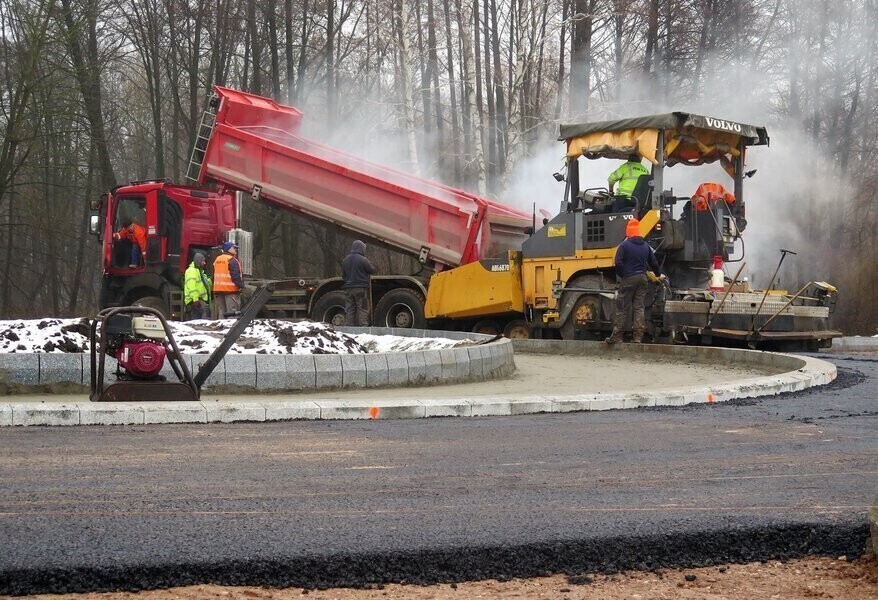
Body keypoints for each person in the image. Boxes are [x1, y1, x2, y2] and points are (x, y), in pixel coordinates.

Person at [605, 218, 662, 344]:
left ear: (628, 232)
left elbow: (618, 262)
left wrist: (623, 274)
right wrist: (658, 274)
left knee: (622, 307)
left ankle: (617, 336)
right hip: (642, 278)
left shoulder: (624, 245)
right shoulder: (645, 246)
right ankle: (637, 337)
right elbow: (654, 263)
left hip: (629, 278)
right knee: (639, 307)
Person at [341, 240, 376, 326]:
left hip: (348, 289)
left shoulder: (345, 260)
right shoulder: (363, 260)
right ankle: (363, 327)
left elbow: (343, 276)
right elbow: (372, 270)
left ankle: (349, 327)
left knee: (350, 308)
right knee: (362, 308)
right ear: (361, 248)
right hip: (361, 289)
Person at [213, 241, 244, 318]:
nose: (235, 250)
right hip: (231, 291)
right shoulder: (232, 260)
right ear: (228, 249)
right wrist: (241, 286)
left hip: (218, 290)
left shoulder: (217, 259)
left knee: (221, 313)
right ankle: (232, 326)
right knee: (232, 313)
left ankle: (221, 325)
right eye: (234, 248)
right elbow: (235, 276)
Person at [183, 252, 212, 320]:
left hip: (199, 299)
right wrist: (195, 299)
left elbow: (205, 283)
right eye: (203, 261)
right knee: (205, 311)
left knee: (196, 318)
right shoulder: (191, 271)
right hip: (195, 300)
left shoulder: (199, 271)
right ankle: (204, 325)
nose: (204, 263)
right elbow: (191, 287)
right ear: (198, 261)